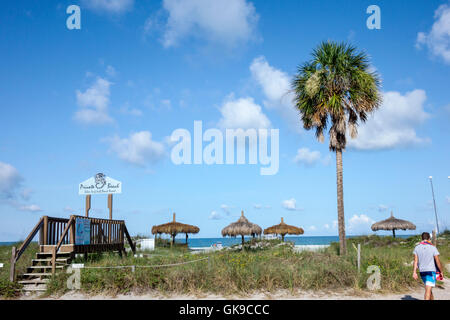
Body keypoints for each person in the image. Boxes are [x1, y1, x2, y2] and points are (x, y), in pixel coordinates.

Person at [412, 232, 444, 300]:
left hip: (422, 272)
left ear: (422, 238)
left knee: (429, 289)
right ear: (429, 238)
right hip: (430, 272)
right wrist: (441, 271)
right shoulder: (433, 247)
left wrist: (414, 272)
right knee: (428, 291)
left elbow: (415, 261)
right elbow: (437, 261)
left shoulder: (417, 247)